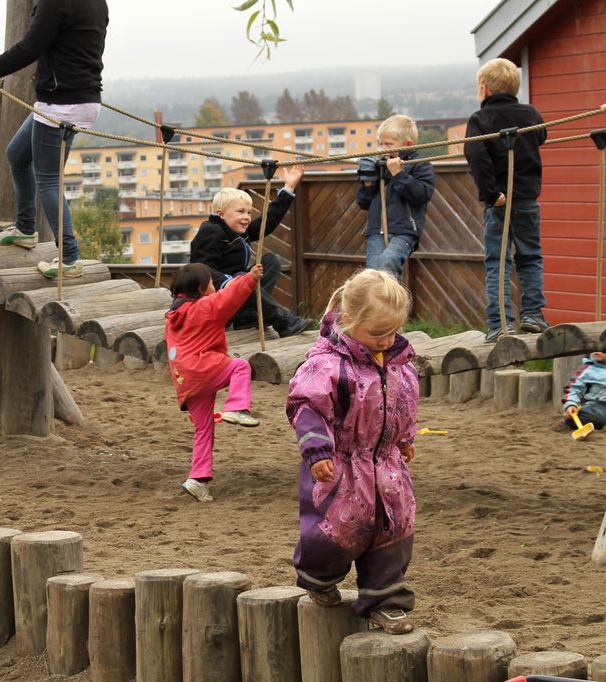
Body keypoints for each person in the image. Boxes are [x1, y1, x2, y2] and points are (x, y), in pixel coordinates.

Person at [285, 268, 418, 634]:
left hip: (386, 465)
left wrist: (404, 437)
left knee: (394, 528)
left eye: (393, 332)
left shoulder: (398, 363)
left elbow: (403, 401)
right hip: (342, 463)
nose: (387, 341)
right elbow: (306, 407)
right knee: (339, 530)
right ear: (347, 320)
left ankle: (384, 602)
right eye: (378, 333)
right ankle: (318, 576)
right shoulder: (327, 365)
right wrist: (317, 453)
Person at [0, 0, 109, 280]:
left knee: (49, 180)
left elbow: (30, 48)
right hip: (79, 98)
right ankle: (25, 228)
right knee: (17, 154)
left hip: (61, 103)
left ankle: (69, 257)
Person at [464, 58, 549, 343]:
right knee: (530, 256)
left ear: (484, 90)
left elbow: (476, 156)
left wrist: (491, 193)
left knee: (497, 262)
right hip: (526, 197)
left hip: (499, 201)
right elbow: (542, 136)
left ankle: (500, 322)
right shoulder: (530, 113)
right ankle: (533, 314)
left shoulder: (480, 120)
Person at [165, 261, 264, 503]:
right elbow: (228, 298)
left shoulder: (172, 316)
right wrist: (249, 278)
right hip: (202, 368)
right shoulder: (202, 307)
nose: (214, 285)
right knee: (240, 366)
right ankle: (237, 408)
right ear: (199, 288)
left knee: (203, 429)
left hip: (185, 380)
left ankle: (197, 480)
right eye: (210, 282)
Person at [189, 178, 313, 338]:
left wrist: (288, 189)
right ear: (221, 214)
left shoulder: (236, 231)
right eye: (240, 212)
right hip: (216, 299)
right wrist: (229, 282)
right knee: (242, 278)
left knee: (271, 261)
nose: (247, 217)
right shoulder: (210, 231)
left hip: (236, 296)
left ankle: (247, 314)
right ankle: (283, 322)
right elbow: (202, 269)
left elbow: (266, 223)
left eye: (249, 212)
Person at [356, 114, 435, 278]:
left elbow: (422, 195)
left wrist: (399, 174)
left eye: (389, 144)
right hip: (377, 230)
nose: (384, 149)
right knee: (372, 273)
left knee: (388, 262)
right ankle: (376, 303)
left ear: (408, 145)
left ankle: (392, 302)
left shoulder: (420, 165)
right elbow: (363, 203)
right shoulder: (379, 166)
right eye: (381, 144)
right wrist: (367, 182)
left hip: (404, 230)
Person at [562, 349, 606, 430]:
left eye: (602, 349)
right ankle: (570, 422)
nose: (597, 351)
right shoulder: (587, 368)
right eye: (593, 349)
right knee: (598, 417)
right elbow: (573, 389)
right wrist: (571, 404)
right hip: (599, 406)